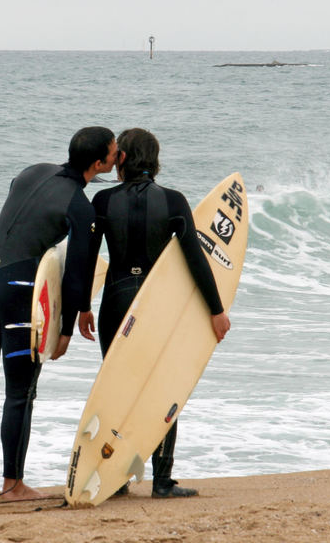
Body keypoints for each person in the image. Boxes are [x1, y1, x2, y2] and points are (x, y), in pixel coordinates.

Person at [0, 126, 118, 500]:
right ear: (98, 164)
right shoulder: (79, 205)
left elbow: (19, 198)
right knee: (20, 392)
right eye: (114, 151)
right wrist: (66, 327)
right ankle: (13, 485)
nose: (118, 154)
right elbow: (77, 269)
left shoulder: (33, 170)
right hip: (18, 292)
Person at [79, 127, 230, 498]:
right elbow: (196, 259)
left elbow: (85, 260)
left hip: (115, 302)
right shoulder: (174, 201)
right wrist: (216, 310)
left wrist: (83, 307)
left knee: (116, 389)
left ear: (123, 159)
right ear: (156, 159)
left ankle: (112, 481)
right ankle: (162, 480)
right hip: (155, 305)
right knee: (162, 388)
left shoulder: (101, 200)